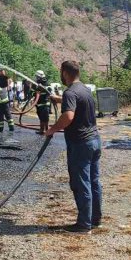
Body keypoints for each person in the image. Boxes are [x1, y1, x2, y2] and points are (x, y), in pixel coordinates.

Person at [46, 61, 101, 234]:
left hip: (80, 144)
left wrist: (52, 129)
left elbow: (69, 116)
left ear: (65, 73)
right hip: (94, 141)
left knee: (81, 183)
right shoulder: (84, 89)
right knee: (93, 182)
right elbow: (78, 103)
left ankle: (84, 224)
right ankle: (95, 219)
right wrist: (58, 99)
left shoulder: (70, 92)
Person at [31, 70, 52, 135]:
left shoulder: (46, 83)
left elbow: (50, 92)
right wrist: (35, 93)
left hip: (45, 103)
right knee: (41, 118)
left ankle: (47, 131)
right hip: (38, 104)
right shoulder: (35, 84)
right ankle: (41, 131)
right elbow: (31, 93)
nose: (36, 78)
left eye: (37, 76)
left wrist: (43, 88)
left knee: (45, 118)